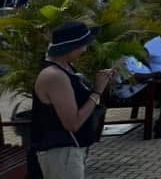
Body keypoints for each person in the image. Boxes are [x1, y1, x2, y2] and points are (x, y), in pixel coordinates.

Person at [30, 21, 115, 179]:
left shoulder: (66, 68)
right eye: (83, 45)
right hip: (60, 152)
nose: (85, 49)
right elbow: (73, 123)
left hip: (71, 150)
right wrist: (97, 91)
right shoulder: (55, 76)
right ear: (71, 47)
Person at [111, 53, 161, 138]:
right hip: (132, 91)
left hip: (143, 86)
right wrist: (152, 75)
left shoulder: (129, 54)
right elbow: (131, 78)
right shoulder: (117, 57)